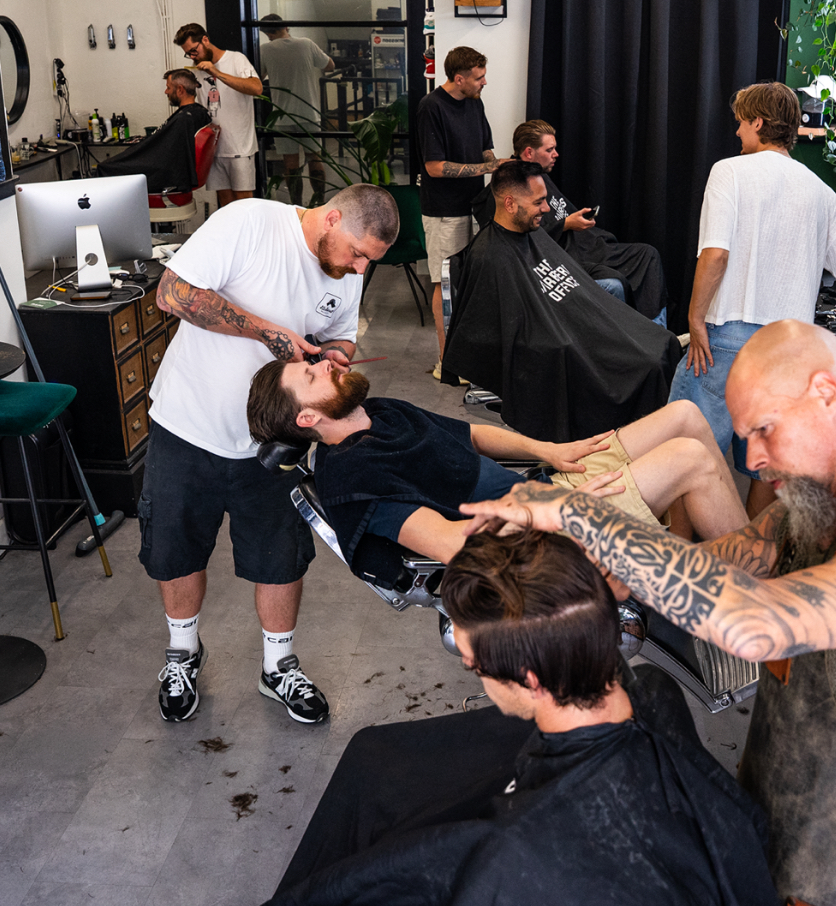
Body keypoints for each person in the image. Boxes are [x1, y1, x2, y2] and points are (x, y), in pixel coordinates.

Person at [461, 319, 836, 906]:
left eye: (764, 430)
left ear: (826, 392)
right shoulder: (816, 512)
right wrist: (612, 575)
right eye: (746, 437)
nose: (755, 460)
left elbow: (756, 623)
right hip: (759, 854)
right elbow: (729, 562)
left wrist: (580, 513)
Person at [248, 527, 779, 906]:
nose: (472, 669)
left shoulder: (514, 860)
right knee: (377, 760)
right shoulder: (655, 696)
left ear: (530, 679)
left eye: (476, 665)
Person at [144, 184, 397, 725]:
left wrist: (334, 358)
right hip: (188, 425)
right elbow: (171, 293)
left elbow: (341, 336)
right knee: (175, 548)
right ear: (333, 219)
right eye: (357, 254)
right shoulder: (250, 223)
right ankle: (182, 654)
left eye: (368, 262)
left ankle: (277, 667)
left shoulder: (346, 271)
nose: (358, 269)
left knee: (279, 556)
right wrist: (266, 332)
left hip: (275, 441)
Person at [244, 357, 745, 565]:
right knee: (689, 459)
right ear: (307, 419)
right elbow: (451, 545)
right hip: (534, 537)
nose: (325, 363)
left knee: (684, 416)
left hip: (545, 492)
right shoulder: (354, 478)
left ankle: (689, 562)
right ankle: (762, 600)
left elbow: (473, 436)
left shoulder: (380, 412)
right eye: (312, 376)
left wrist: (548, 450)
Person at [672, 82, 836, 516]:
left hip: (728, 339)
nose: (736, 132)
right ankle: (751, 546)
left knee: (684, 452)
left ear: (758, 122)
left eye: (740, 123)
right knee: (765, 464)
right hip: (788, 349)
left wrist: (695, 320)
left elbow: (715, 255)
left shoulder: (729, 172)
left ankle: (681, 547)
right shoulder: (821, 191)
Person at [443, 160, 681, 442]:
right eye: (538, 202)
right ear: (510, 204)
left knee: (663, 343)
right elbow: (490, 334)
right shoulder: (489, 256)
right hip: (561, 347)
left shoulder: (533, 235)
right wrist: (560, 343)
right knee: (648, 367)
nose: (547, 209)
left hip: (579, 328)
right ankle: (634, 446)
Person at [487, 119, 669, 323]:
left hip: (584, 245)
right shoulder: (515, 187)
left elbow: (556, 211)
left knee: (647, 254)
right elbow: (525, 238)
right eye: (550, 149)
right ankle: (651, 331)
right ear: (529, 152)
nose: (556, 154)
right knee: (624, 276)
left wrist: (576, 220)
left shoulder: (540, 176)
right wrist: (565, 224)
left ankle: (654, 331)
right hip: (563, 256)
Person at [415, 45, 500, 378]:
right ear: (459, 78)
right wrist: (486, 168)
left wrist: (499, 167)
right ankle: (446, 362)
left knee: (469, 282)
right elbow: (434, 167)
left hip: (474, 206)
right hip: (443, 212)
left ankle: (465, 358)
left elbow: (485, 148)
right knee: (445, 283)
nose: (484, 82)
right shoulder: (431, 107)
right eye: (479, 77)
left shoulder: (474, 102)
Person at [174, 22, 264, 206]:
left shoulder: (236, 59)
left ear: (205, 40)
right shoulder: (197, 69)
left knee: (244, 202)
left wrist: (216, 72)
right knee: (225, 202)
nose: (192, 56)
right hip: (214, 147)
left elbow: (256, 88)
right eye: (188, 53)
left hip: (239, 146)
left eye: (194, 50)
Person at [258, 15, 335, 206]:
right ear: (286, 26)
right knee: (315, 159)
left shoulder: (264, 50)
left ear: (267, 33)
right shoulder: (306, 44)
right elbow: (330, 66)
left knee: (290, 164)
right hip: (309, 113)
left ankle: (296, 205)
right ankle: (320, 202)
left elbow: (259, 77)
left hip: (282, 116)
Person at [95, 69, 212, 194]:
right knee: (116, 163)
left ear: (180, 89)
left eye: (168, 87)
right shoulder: (198, 112)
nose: (166, 91)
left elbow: (165, 155)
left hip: (165, 171)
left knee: (106, 167)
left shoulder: (184, 118)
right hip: (165, 165)